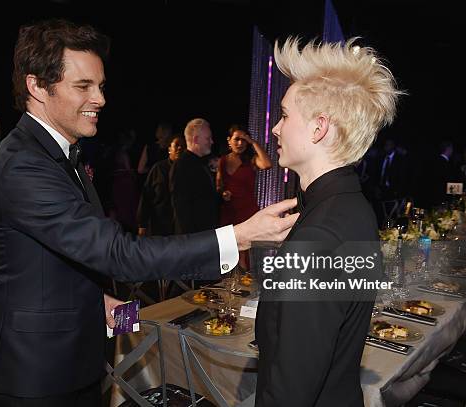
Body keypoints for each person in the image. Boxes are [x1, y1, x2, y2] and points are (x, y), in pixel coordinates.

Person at [0, 19, 297, 407]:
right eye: (83, 86)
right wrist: (238, 235)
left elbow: (50, 257)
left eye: (101, 86)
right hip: (34, 374)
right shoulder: (23, 164)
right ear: (36, 87)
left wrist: (94, 300)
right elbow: (119, 254)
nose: (100, 99)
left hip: (70, 357)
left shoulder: (59, 153)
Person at [255, 38, 401, 406]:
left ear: (319, 128)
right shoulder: (352, 206)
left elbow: (290, 392)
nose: (275, 129)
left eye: (285, 116)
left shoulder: (319, 235)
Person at [217, 125, 272, 270]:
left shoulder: (251, 161)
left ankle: (245, 286)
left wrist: (253, 142)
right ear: (229, 141)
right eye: (237, 139)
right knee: (229, 250)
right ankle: (230, 284)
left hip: (247, 211)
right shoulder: (222, 161)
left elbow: (267, 164)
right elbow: (218, 185)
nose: (240, 143)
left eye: (244, 140)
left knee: (245, 252)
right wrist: (222, 193)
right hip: (228, 211)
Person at [170, 118, 220, 234]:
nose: (212, 142)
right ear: (196, 140)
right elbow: (180, 207)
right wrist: (190, 242)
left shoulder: (201, 162)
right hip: (194, 238)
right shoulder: (181, 166)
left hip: (204, 234)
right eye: (208, 138)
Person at [137, 135, 185, 236]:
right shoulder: (158, 169)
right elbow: (146, 197)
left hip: (182, 226)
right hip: (160, 224)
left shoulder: (189, 170)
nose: (179, 148)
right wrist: (142, 224)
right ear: (169, 149)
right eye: (176, 145)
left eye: (182, 146)